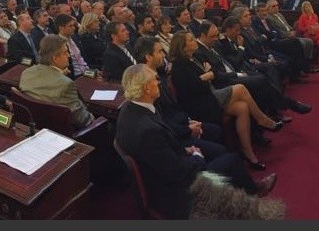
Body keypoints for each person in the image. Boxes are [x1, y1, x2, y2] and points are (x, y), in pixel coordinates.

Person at [115, 63, 276, 219]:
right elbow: (178, 172)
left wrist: (186, 150)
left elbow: (162, 149)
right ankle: (250, 194)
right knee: (232, 160)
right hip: (174, 190)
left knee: (220, 151)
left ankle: (238, 194)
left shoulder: (131, 108)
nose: (158, 82)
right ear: (146, 88)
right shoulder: (147, 131)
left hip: (167, 164)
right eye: (155, 79)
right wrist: (196, 157)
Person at [168, 31, 282, 171]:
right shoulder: (179, 67)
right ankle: (262, 120)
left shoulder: (196, 56)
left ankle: (248, 152)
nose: (195, 41)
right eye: (191, 40)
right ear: (183, 46)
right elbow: (197, 89)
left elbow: (214, 73)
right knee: (240, 88)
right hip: (201, 104)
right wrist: (207, 76)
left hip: (210, 94)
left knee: (242, 107)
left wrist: (207, 76)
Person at [19, 34, 96, 130]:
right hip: (67, 133)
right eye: (65, 52)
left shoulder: (26, 73)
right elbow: (82, 120)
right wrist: (94, 117)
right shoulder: (66, 85)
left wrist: (59, 74)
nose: (68, 55)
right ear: (55, 58)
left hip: (36, 127)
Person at [295, 1, 319, 69]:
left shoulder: (315, 16)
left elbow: (317, 26)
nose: (307, 8)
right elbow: (300, 29)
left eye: (308, 6)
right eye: (305, 7)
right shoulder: (302, 17)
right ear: (303, 8)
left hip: (316, 34)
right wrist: (308, 28)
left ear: (310, 7)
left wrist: (316, 25)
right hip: (308, 35)